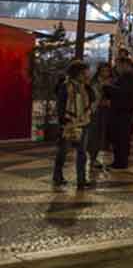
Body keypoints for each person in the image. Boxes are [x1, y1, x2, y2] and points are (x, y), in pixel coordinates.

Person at [52, 61, 95, 189]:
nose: (88, 73)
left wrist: (88, 86)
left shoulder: (85, 86)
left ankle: (81, 179)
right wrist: (63, 120)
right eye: (85, 71)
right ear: (78, 73)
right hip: (69, 122)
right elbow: (60, 103)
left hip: (84, 121)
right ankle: (57, 176)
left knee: (82, 152)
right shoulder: (65, 86)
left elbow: (92, 98)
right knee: (63, 151)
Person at [108, 56, 133, 169]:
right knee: (119, 138)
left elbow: (123, 93)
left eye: (118, 65)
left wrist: (109, 88)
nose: (117, 68)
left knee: (121, 138)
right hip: (122, 110)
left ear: (125, 65)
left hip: (123, 111)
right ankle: (119, 160)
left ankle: (121, 161)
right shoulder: (126, 76)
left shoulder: (129, 77)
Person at [86, 63, 113, 172]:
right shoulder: (94, 82)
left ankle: (96, 157)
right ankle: (92, 158)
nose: (105, 73)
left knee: (103, 135)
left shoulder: (111, 81)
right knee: (94, 135)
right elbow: (93, 97)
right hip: (96, 111)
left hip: (107, 112)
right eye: (103, 71)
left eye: (107, 71)